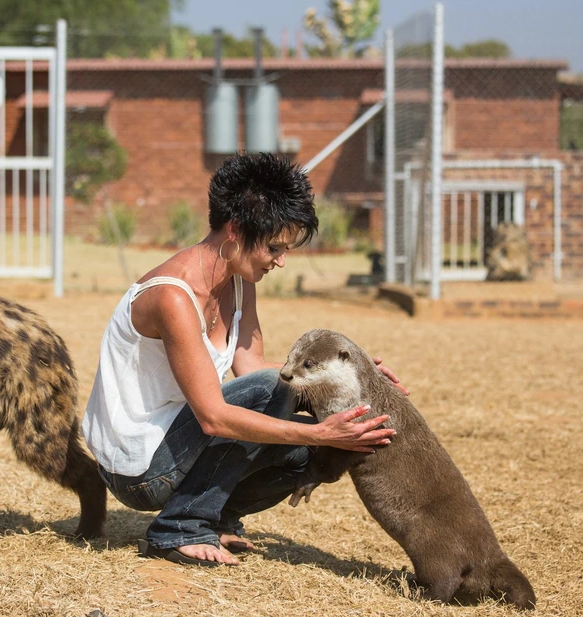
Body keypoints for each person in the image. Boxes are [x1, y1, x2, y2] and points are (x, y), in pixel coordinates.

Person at [81, 152, 406, 567]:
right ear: (234, 230)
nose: (281, 260)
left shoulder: (238, 280)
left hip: (178, 442)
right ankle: (179, 527)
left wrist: (349, 376)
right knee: (284, 405)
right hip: (138, 468)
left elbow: (253, 368)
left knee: (305, 456)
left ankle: (216, 517)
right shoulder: (172, 297)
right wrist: (322, 432)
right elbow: (216, 416)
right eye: (274, 247)